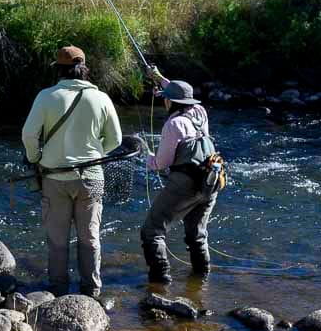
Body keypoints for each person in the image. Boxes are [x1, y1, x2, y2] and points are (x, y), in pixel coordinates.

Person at [21, 46, 122, 298]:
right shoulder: (102, 98)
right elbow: (116, 140)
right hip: (92, 178)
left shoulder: (46, 96)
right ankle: (92, 290)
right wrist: (97, 154)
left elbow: (28, 135)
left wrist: (36, 158)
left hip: (54, 177)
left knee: (57, 240)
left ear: (59, 70)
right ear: (84, 69)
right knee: (90, 237)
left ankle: (57, 290)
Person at [140, 68, 219, 283]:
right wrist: (159, 78)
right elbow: (178, 92)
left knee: (151, 230)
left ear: (169, 102)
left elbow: (160, 164)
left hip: (185, 185)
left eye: (166, 99)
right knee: (197, 234)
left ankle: (160, 280)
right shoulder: (200, 112)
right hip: (210, 182)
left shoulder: (173, 125)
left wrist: (144, 153)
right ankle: (201, 280)